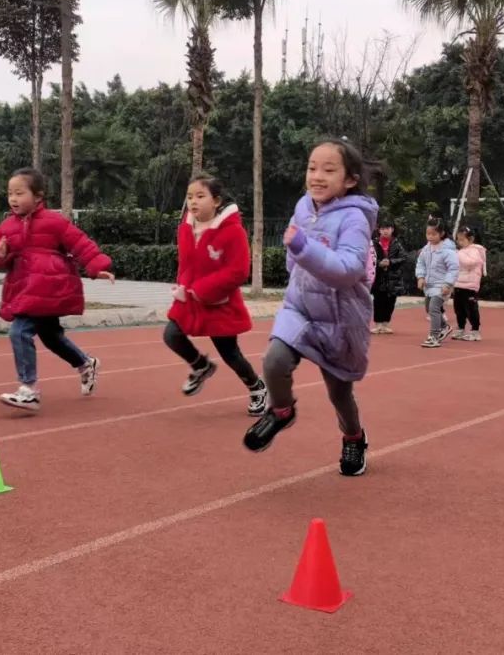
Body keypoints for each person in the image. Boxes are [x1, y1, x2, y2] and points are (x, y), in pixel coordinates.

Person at [243, 138, 378, 477]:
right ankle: (283, 410)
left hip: (340, 316)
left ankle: (354, 436)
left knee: (339, 391)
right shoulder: (303, 206)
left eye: (329, 170)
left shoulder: (355, 218)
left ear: (350, 179)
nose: (317, 176)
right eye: (312, 168)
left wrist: (303, 249)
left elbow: (350, 269)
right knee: (274, 360)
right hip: (300, 307)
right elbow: (294, 251)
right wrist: (296, 270)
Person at [0, 167, 114, 412]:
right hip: (25, 288)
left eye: (19, 193)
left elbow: (80, 243)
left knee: (19, 332)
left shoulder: (54, 222)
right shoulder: (6, 226)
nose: (13, 198)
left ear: (37, 196)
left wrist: (97, 266)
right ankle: (85, 363)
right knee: (51, 336)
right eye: (10, 193)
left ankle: (29, 389)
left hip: (48, 287)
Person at [164, 174, 267, 416]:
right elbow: (185, 264)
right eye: (190, 196)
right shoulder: (185, 229)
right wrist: (182, 287)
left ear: (216, 201)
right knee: (171, 335)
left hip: (219, 302)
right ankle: (201, 367)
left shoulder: (233, 232)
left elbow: (239, 270)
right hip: (188, 299)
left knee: (230, 354)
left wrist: (204, 289)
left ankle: (256, 386)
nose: (193, 202)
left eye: (200, 196)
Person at [415, 217, 459, 348]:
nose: (430, 236)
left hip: (442, 285)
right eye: (428, 233)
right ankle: (444, 327)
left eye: (433, 234)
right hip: (429, 285)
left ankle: (434, 335)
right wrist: (420, 277)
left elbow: (454, 268)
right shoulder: (426, 249)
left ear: (442, 233)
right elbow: (420, 263)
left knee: (434, 308)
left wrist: (448, 284)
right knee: (429, 308)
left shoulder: (448, 250)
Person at [370, 217, 408, 334]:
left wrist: (391, 262)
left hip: (393, 279)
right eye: (383, 228)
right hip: (379, 279)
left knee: (390, 302)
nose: (385, 231)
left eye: (388, 228)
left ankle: (386, 324)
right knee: (378, 301)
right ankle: (378, 324)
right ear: (379, 230)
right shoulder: (374, 243)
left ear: (392, 229)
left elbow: (404, 258)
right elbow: (370, 258)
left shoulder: (397, 243)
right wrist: (379, 263)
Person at [453, 225, 487, 341]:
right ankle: (461, 328)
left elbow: (470, 263)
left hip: (470, 286)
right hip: (459, 284)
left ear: (471, 239)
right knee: (458, 309)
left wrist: (458, 254)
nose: (459, 242)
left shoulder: (475, 250)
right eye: (458, 239)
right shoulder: (461, 251)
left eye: (462, 239)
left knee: (471, 309)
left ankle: (475, 331)